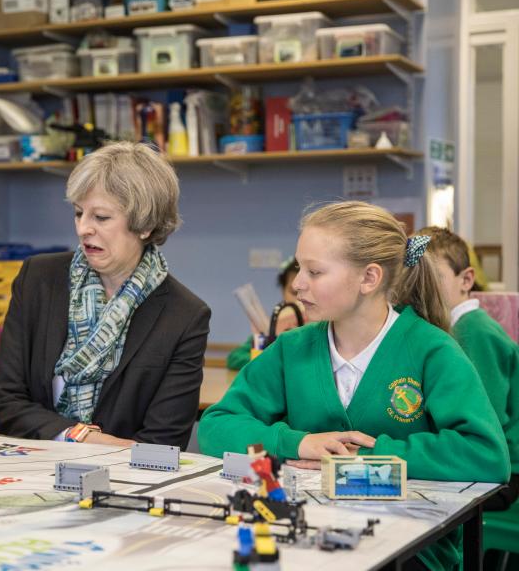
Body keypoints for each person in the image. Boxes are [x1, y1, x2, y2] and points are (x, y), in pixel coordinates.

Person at [199, 201, 508, 571]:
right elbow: (217, 425)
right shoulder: (292, 349)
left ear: (369, 278)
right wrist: (298, 442)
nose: (297, 284)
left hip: (411, 546)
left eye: (314, 271)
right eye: (299, 267)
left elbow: (487, 455)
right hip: (306, 531)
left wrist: (376, 455)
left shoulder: (433, 351)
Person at [0, 141, 211, 451]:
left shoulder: (185, 315)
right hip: (27, 465)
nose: (83, 228)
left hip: (122, 482)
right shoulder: (37, 279)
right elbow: (4, 402)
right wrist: (80, 435)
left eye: (101, 218)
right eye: (79, 213)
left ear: (145, 225)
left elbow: (164, 441)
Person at [416, 226, 519, 510]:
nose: (421, 289)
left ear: (467, 279)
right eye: (413, 279)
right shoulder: (447, 329)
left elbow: (486, 421)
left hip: (503, 469)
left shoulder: (474, 332)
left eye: (433, 278)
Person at [227, 257, 302, 370]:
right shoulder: (274, 326)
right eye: (293, 293)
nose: (300, 299)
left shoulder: (320, 326)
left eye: (305, 292)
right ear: (283, 291)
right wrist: (265, 359)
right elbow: (234, 358)